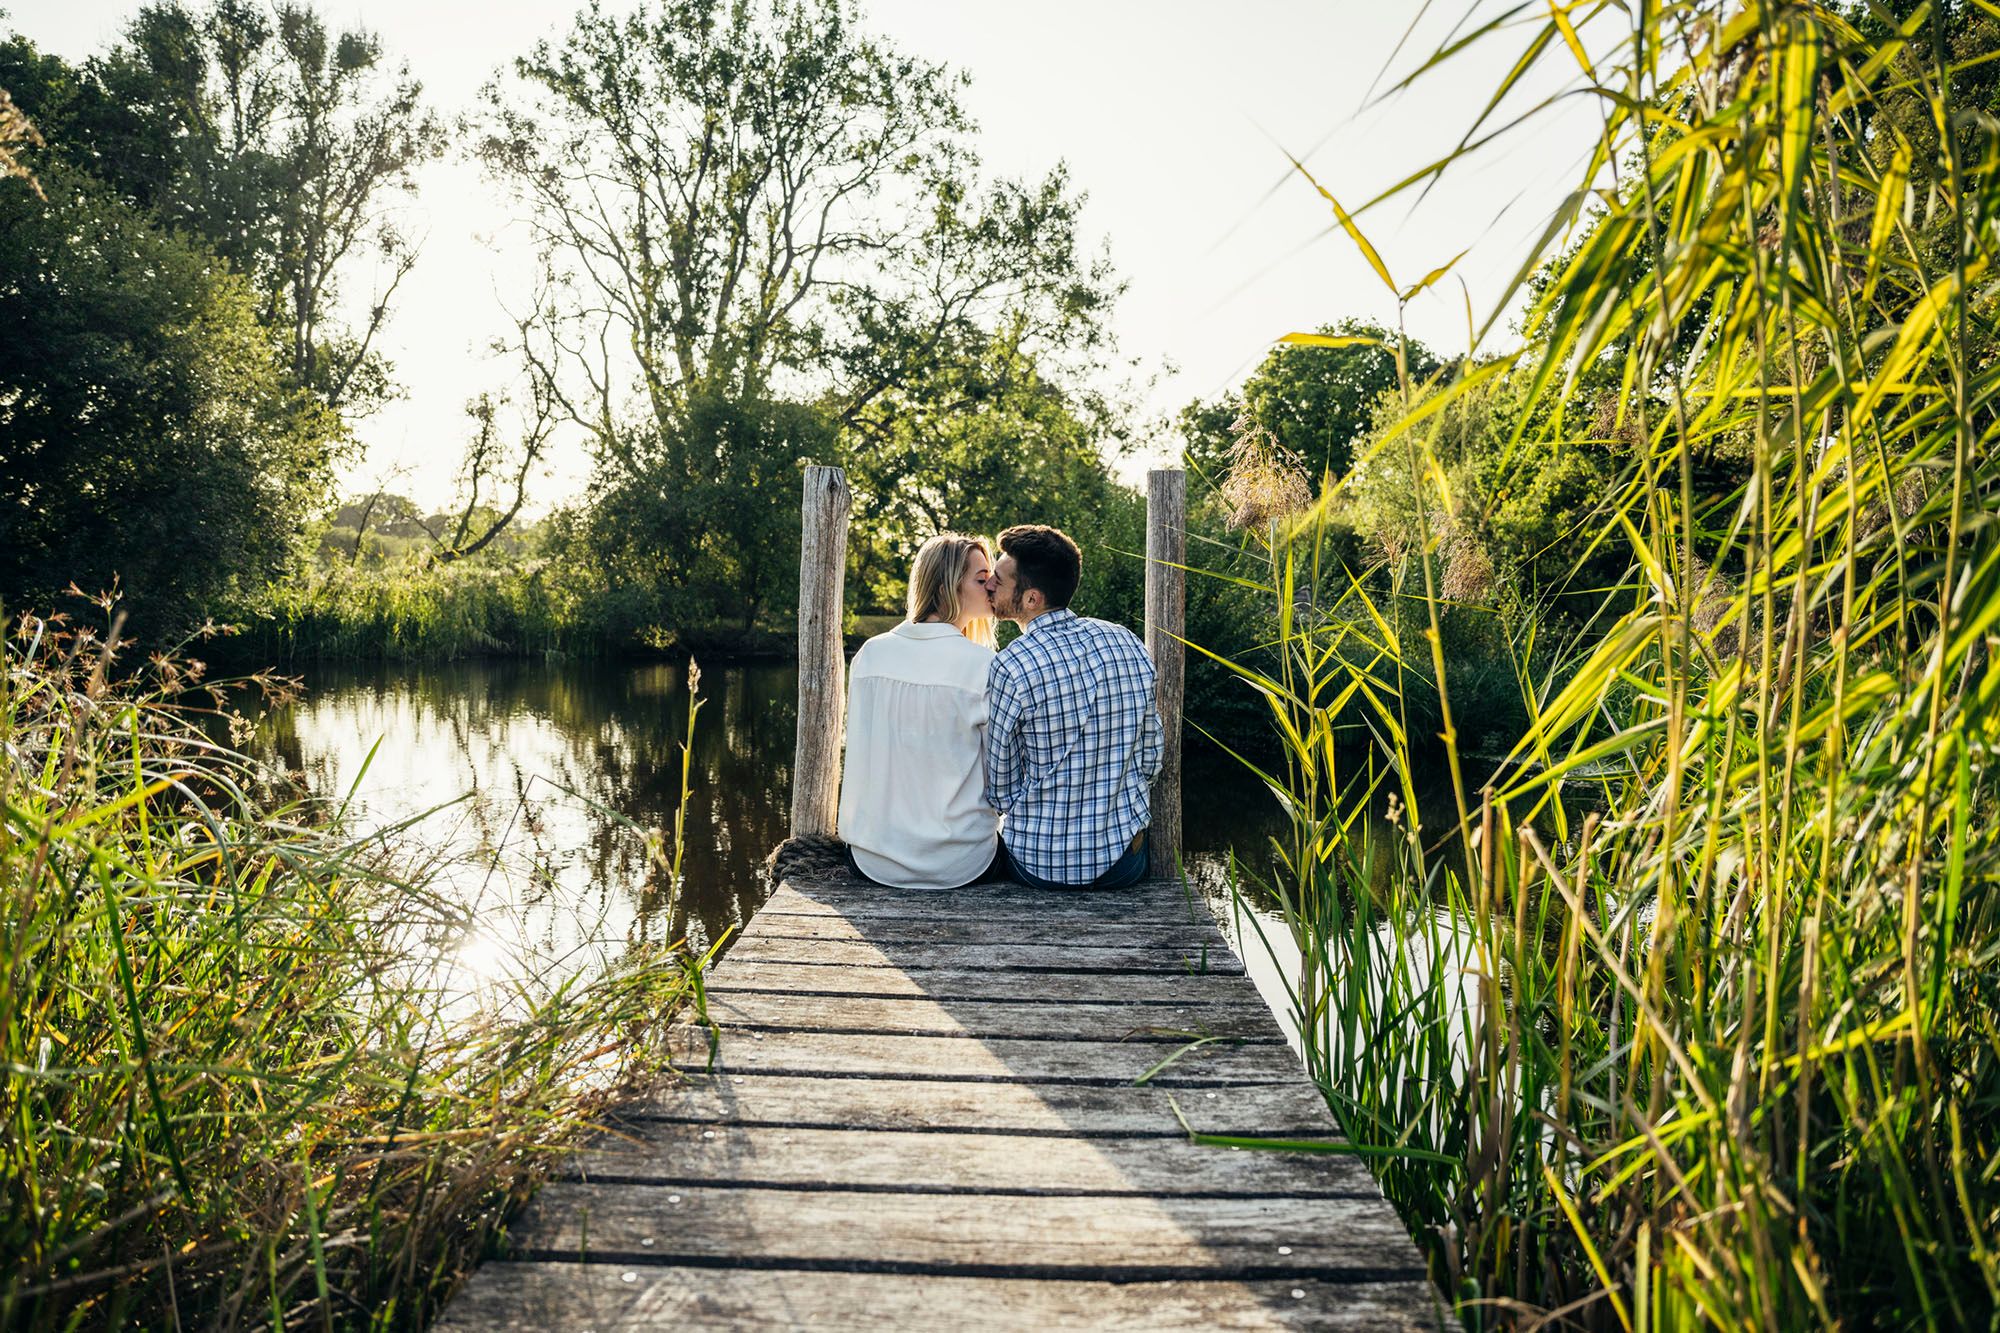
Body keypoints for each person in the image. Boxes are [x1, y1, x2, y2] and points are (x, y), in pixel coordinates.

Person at [984, 524, 1163, 889]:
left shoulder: (1010, 666)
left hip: (1037, 867)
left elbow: (1000, 788)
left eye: (998, 581)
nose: (989, 584)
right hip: (1120, 865)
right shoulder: (1126, 641)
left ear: (1031, 599)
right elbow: (1150, 758)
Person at [837, 532, 1003, 889]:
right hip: (960, 864)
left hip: (873, 860)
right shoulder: (985, 665)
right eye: (981, 578)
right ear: (946, 587)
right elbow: (999, 773)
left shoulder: (870, 654)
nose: (992, 585)